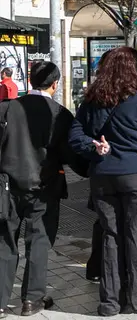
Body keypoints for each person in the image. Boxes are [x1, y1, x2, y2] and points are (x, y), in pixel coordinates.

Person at [68, 46, 137, 316]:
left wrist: (94, 146)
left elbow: (74, 138)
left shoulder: (92, 99)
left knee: (111, 237)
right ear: (134, 69)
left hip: (103, 177)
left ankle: (109, 302)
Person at [0, 62, 88, 318]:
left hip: (8, 188)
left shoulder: (7, 109)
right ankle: (32, 299)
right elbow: (71, 154)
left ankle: (1, 303)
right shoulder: (60, 114)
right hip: (45, 187)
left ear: (30, 82)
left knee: (5, 242)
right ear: (55, 84)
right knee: (39, 240)